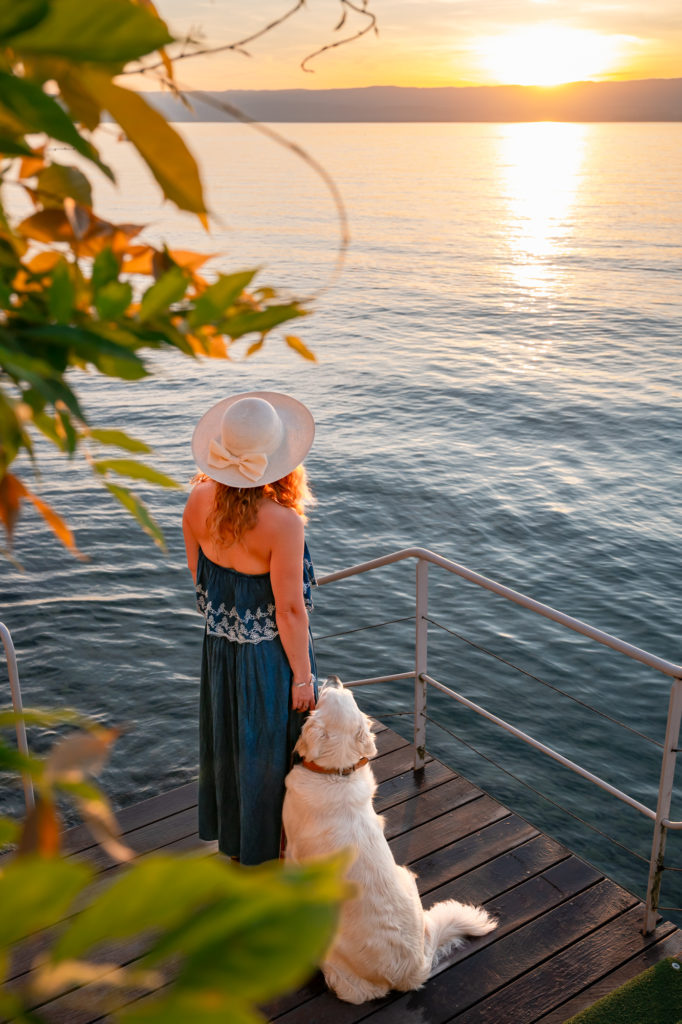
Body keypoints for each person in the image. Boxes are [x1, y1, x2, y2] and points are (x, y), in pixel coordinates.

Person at [182, 391, 318, 864]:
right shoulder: (283, 523)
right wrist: (302, 675)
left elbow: (200, 577)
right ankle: (274, 849)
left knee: (231, 742)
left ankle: (238, 841)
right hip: (269, 656)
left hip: (220, 648)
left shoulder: (198, 500)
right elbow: (290, 611)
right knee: (270, 750)